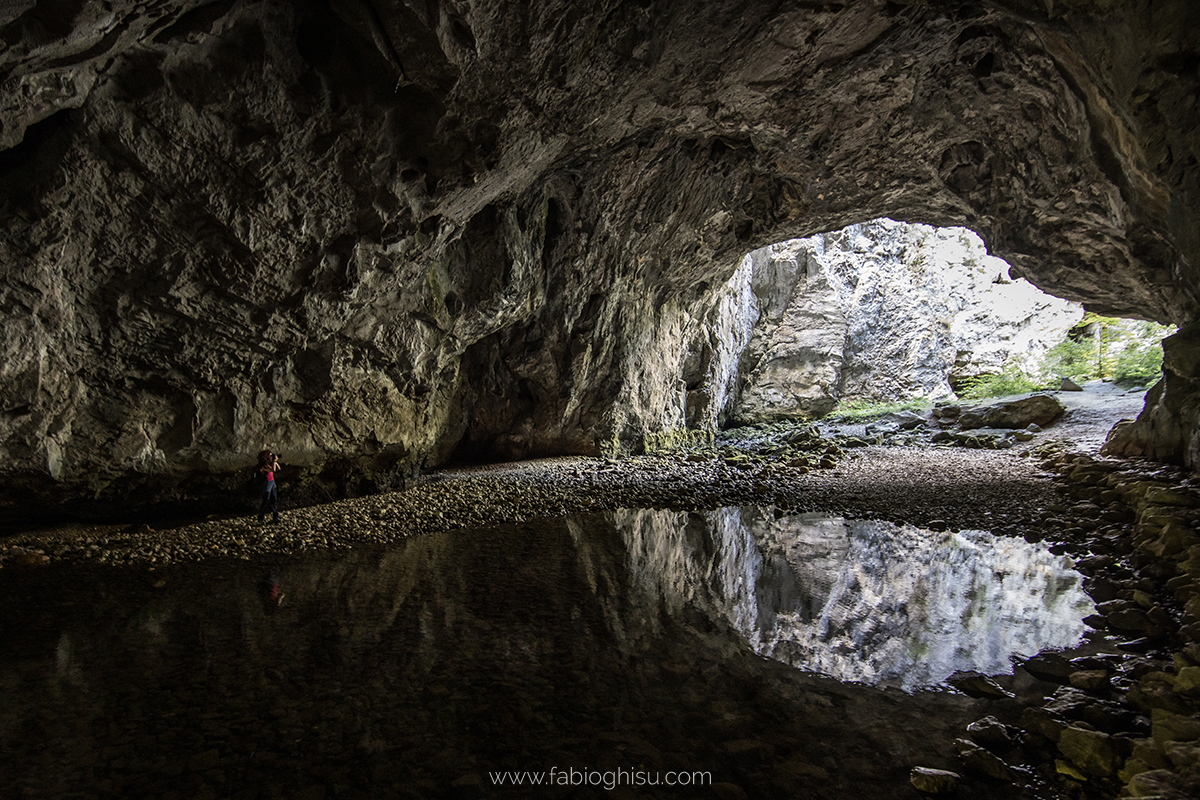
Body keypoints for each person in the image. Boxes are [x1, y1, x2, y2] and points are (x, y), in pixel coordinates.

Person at [257, 448, 281, 524]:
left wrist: (275, 462)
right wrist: (273, 462)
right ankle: (261, 517)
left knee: (274, 499)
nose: (271, 457)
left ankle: (276, 516)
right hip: (266, 483)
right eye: (270, 455)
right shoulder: (262, 466)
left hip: (272, 482)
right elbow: (272, 470)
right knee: (266, 500)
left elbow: (278, 468)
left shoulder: (270, 464)